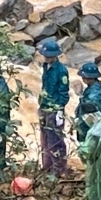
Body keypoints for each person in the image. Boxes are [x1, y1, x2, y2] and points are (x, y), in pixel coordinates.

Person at [37, 40, 70, 177]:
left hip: (55, 110)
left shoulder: (61, 71)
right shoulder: (45, 66)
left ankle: (59, 169)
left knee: (55, 140)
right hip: (44, 107)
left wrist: (59, 110)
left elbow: (64, 93)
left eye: (49, 56)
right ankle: (47, 166)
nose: (47, 58)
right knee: (44, 139)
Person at [74, 62, 101, 142]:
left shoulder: (93, 96)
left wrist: (78, 122)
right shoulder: (98, 88)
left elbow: (90, 118)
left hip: (93, 133)